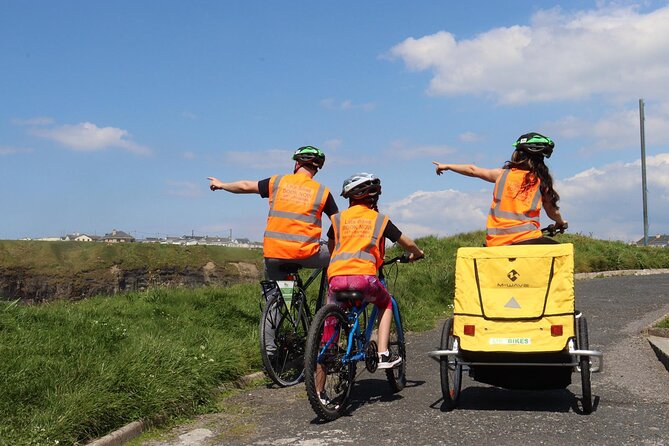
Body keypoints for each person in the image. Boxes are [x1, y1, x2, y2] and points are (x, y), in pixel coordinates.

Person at [315, 172, 424, 405]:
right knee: (385, 303)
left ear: (349, 198)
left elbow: (334, 247)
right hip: (364, 279)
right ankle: (384, 352)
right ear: (373, 197)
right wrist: (417, 253)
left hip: (335, 278)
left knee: (329, 327)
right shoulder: (379, 220)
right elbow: (407, 242)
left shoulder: (337, 220)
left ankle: (319, 392)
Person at [208, 145, 338, 279]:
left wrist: (221, 185)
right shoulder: (322, 192)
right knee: (336, 253)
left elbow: (245, 186)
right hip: (307, 255)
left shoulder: (277, 181)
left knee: (274, 289)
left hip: (274, 253)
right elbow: (337, 222)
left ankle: (273, 298)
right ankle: (332, 296)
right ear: (316, 169)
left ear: (297, 164)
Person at [432, 132, 567, 246]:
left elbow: (473, 170)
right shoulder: (541, 181)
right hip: (527, 239)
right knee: (561, 252)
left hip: (496, 241)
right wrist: (560, 222)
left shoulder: (501, 175)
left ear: (518, 154)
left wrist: (448, 165)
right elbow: (552, 211)